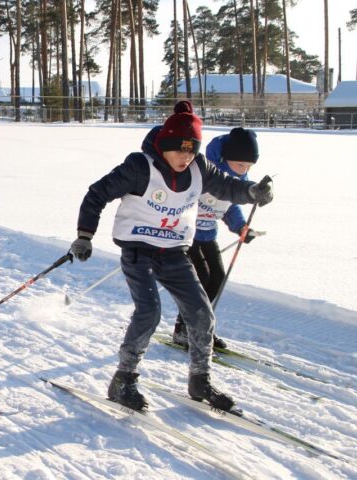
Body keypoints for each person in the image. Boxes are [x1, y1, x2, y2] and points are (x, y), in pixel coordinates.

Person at [70, 101, 273, 412]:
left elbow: (227, 187)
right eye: (179, 150)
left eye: (191, 151)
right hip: (139, 249)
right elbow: (97, 193)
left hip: (175, 251)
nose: (185, 158)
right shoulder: (140, 167)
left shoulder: (199, 168)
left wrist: (251, 193)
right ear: (165, 145)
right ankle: (123, 380)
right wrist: (84, 236)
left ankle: (200, 379)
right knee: (149, 312)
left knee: (202, 312)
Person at [172, 127, 261, 350]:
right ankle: (183, 329)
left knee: (217, 278)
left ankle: (201, 327)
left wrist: (241, 227)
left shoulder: (238, 181)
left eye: (248, 167)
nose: (243, 171)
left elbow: (230, 208)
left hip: (208, 235)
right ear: (225, 158)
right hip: (187, 235)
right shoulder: (207, 173)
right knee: (201, 279)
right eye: (240, 165)